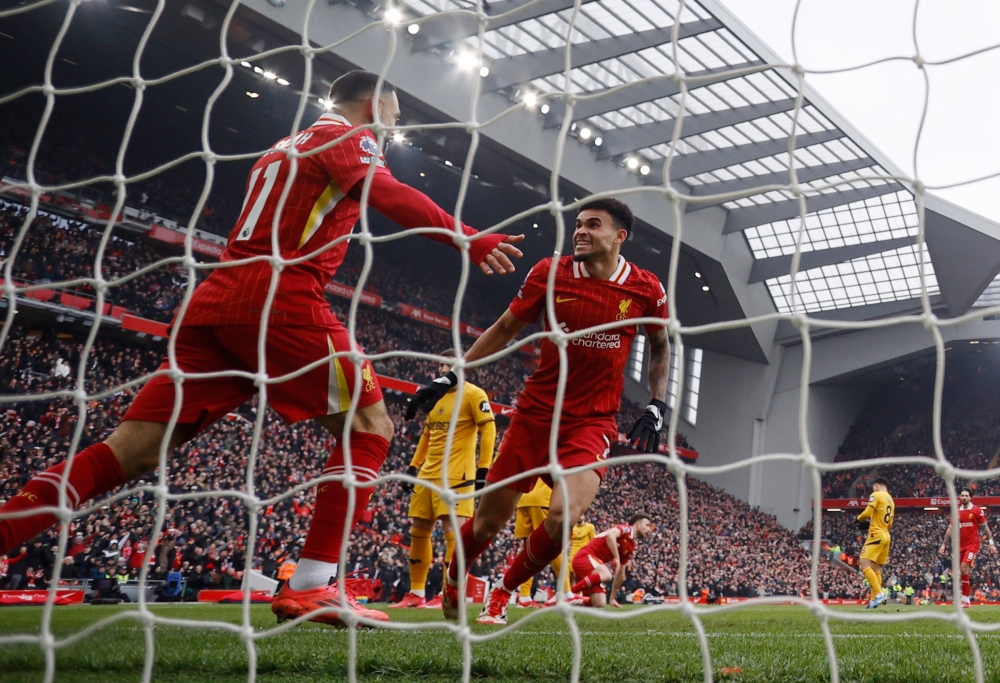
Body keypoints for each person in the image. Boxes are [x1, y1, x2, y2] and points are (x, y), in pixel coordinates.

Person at [0, 70, 523, 628]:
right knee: (370, 427)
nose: (396, 126)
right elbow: (388, 193)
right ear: (374, 105)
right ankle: (312, 584)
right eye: (395, 114)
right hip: (282, 296)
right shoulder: (348, 136)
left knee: (129, 452)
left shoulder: (282, 146)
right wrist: (465, 235)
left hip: (216, 303)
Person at [407, 197, 670, 624]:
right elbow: (506, 327)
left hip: (592, 422)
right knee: (488, 525)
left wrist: (657, 404)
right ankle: (456, 573)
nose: (580, 231)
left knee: (565, 517)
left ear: (620, 236)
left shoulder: (646, 288)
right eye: (578, 224)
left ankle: (504, 591)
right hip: (535, 416)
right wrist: (454, 375)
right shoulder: (550, 273)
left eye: (593, 224)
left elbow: (660, 347)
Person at [390, 352, 496, 609]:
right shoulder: (435, 397)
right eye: (440, 365)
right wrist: (413, 467)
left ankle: (449, 592)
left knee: (454, 533)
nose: (442, 369)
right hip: (428, 474)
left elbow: (488, 428)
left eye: (448, 365)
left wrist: (483, 471)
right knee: (418, 531)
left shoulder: (473, 394)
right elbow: (427, 436)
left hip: (456, 475)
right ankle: (416, 594)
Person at [568, 513, 653, 609]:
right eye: (647, 525)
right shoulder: (626, 529)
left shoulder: (630, 546)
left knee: (599, 602)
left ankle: (572, 604)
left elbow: (620, 574)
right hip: (585, 556)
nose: (649, 529)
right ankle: (567, 596)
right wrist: (616, 557)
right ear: (637, 525)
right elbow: (610, 535)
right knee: (607, 575)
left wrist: (612, 597)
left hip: (591, 564)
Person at [512, 480, 568, 607]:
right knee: (553, 544)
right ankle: (566, 593)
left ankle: (524, 597)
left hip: (523, 499)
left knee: (527, 549)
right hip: (543, 498)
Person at [937, 488, 997, 607]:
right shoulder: (957, 512)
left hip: (972, 545)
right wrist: (944, 544)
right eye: (962, 495)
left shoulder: (976, 510)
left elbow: (985, 527)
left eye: (966, 495)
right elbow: (950, 529)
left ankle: (965, 600)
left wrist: (991, 543)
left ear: (970, 497)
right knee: (963, 572)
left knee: (964, 568)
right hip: (960, 546)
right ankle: (965, 599)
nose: (964, 497)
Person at [856, 477, 894, 609]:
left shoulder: (876, 495)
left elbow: (867, 512)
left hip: (876, 534)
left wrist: (858, 519)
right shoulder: (890, 500)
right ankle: (873, 600)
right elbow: (890, 523)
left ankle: (879, 594)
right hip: (886, 535)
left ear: (877, 485)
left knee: (863, 564)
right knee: (876, 569)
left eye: (873, 487)